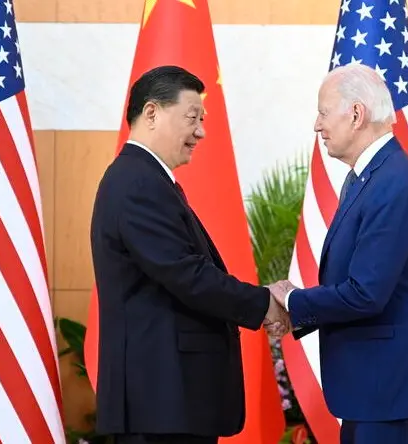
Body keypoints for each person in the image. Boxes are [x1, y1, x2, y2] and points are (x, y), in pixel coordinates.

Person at [90, 65, 288, 444]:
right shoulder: (137, 183)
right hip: (160, 401)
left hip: (170, 400)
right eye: (192, 117)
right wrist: (265, 303)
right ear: (152, 113)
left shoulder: (147, 179)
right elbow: (187, 274)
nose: (201, 131)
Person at [268, 64, 408, 444]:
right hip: (375, 389)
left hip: (389, 391)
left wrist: (293, 301)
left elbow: (366, 292)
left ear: (356, 114)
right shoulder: (371, 178)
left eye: (322, 112)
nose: (317, 125)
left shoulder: (395, 182)